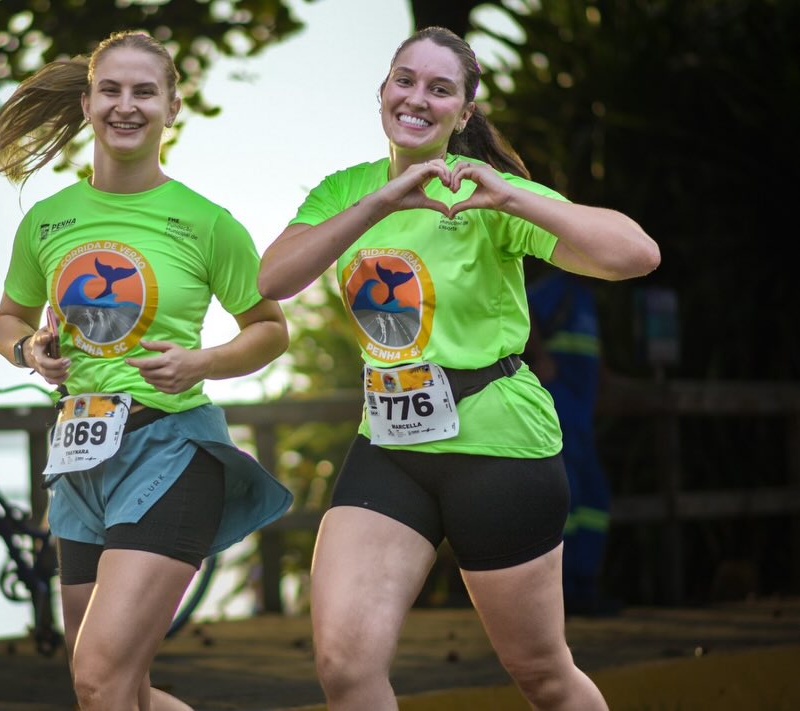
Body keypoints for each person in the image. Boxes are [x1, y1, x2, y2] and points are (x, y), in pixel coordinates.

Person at [258, 25, 659, 711]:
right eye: (404, 79)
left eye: (440, 89)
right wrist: (382, 200)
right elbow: (274, 278)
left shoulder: (486, 194)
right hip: (391, 446)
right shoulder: (347, 192)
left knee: (541, 672)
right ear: (382, 90)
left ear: (464, 113)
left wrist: (512, 198)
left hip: (498, 446)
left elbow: (635, 254)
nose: (417, 97)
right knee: (345, 665)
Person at [0, 31, 293, 711]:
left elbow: (269, 330)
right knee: (117, 689)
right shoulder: (47, 222)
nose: (127, 105)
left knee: (100, 677)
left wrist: (201, 361)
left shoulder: (208, 224)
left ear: (172, 106)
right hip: (81, 459)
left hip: (172, 451)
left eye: (145, 91)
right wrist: (30, 347)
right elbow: (5, 321)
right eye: (111, 90)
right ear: (87, 103)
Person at [525, 266, 619, 616]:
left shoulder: (586, 299)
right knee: (569, 498)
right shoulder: (557, 288)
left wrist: (607, 379)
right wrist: (541, 358)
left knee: (592, 499)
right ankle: (563, 594)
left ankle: (585, 585)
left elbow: (591, 350)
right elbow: (525, 306)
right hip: (560, 406)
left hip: (582, 416)